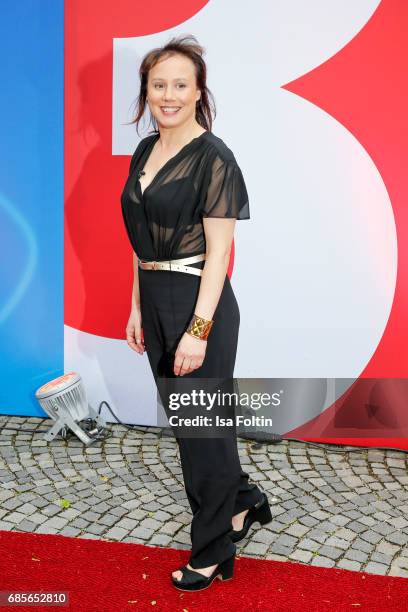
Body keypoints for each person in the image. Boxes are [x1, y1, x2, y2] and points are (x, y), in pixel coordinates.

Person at [120, 34, 272, 592]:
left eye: (180, 84)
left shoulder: (214, 158)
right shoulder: (144, 151)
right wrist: (136, 305)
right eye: (158, 85)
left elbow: (219, 257)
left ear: (198, 90)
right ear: (147, 92)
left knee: (202, 431)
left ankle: (213, 550)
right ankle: (243, 500)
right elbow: (140, 241)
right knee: (193, 427)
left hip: (197, 303)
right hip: (155, 299)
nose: (169, 94)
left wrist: (198, 331)